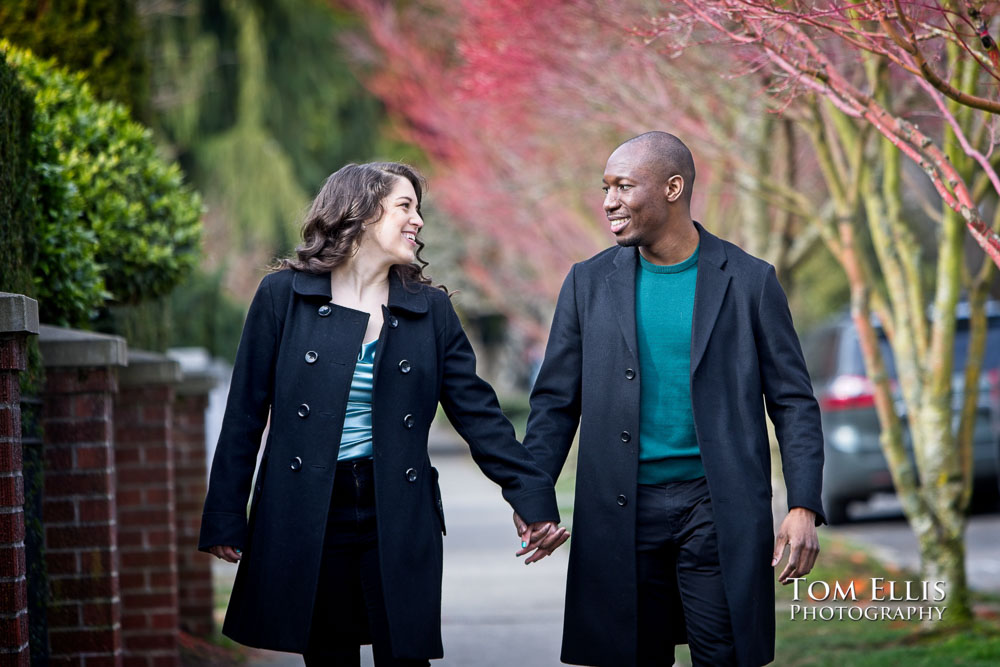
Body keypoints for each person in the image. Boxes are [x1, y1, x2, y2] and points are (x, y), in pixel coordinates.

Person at [199, 162, 569, 666]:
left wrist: (532, 496)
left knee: (405, 656)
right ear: (361, 212)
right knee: (328, 656)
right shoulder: (283, 296)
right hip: (309, 508)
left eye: (419, 208)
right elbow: (244, 412)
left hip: (395, 508)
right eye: (405, 206)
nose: (418, 220)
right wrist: (225, 513)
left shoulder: (429, 309)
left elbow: (479, 415)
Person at [516, 132, 825, 666]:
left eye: (623, 186)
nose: (608, 201)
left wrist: (802, 505)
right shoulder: (586, 283)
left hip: (717, 508)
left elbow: (793, 401)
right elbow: (555, 404)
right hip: (618, 510)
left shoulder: (750, 281)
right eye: (605, 187)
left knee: (724, 655)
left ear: (673, 188)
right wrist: (533, 498)